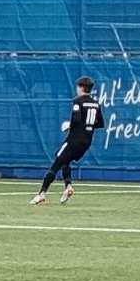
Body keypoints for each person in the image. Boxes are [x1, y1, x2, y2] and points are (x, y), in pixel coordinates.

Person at [30, 76, 104, 205]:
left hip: (74, 140)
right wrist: (88, 126)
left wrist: (69, 126)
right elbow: (101, 123)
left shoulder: (78, 102)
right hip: (86, 141)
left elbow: (76, 120)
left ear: (81, 87)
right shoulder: (95, 104)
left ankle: (41, 194)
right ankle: (68, 186)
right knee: (65, 161)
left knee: (56, 163)